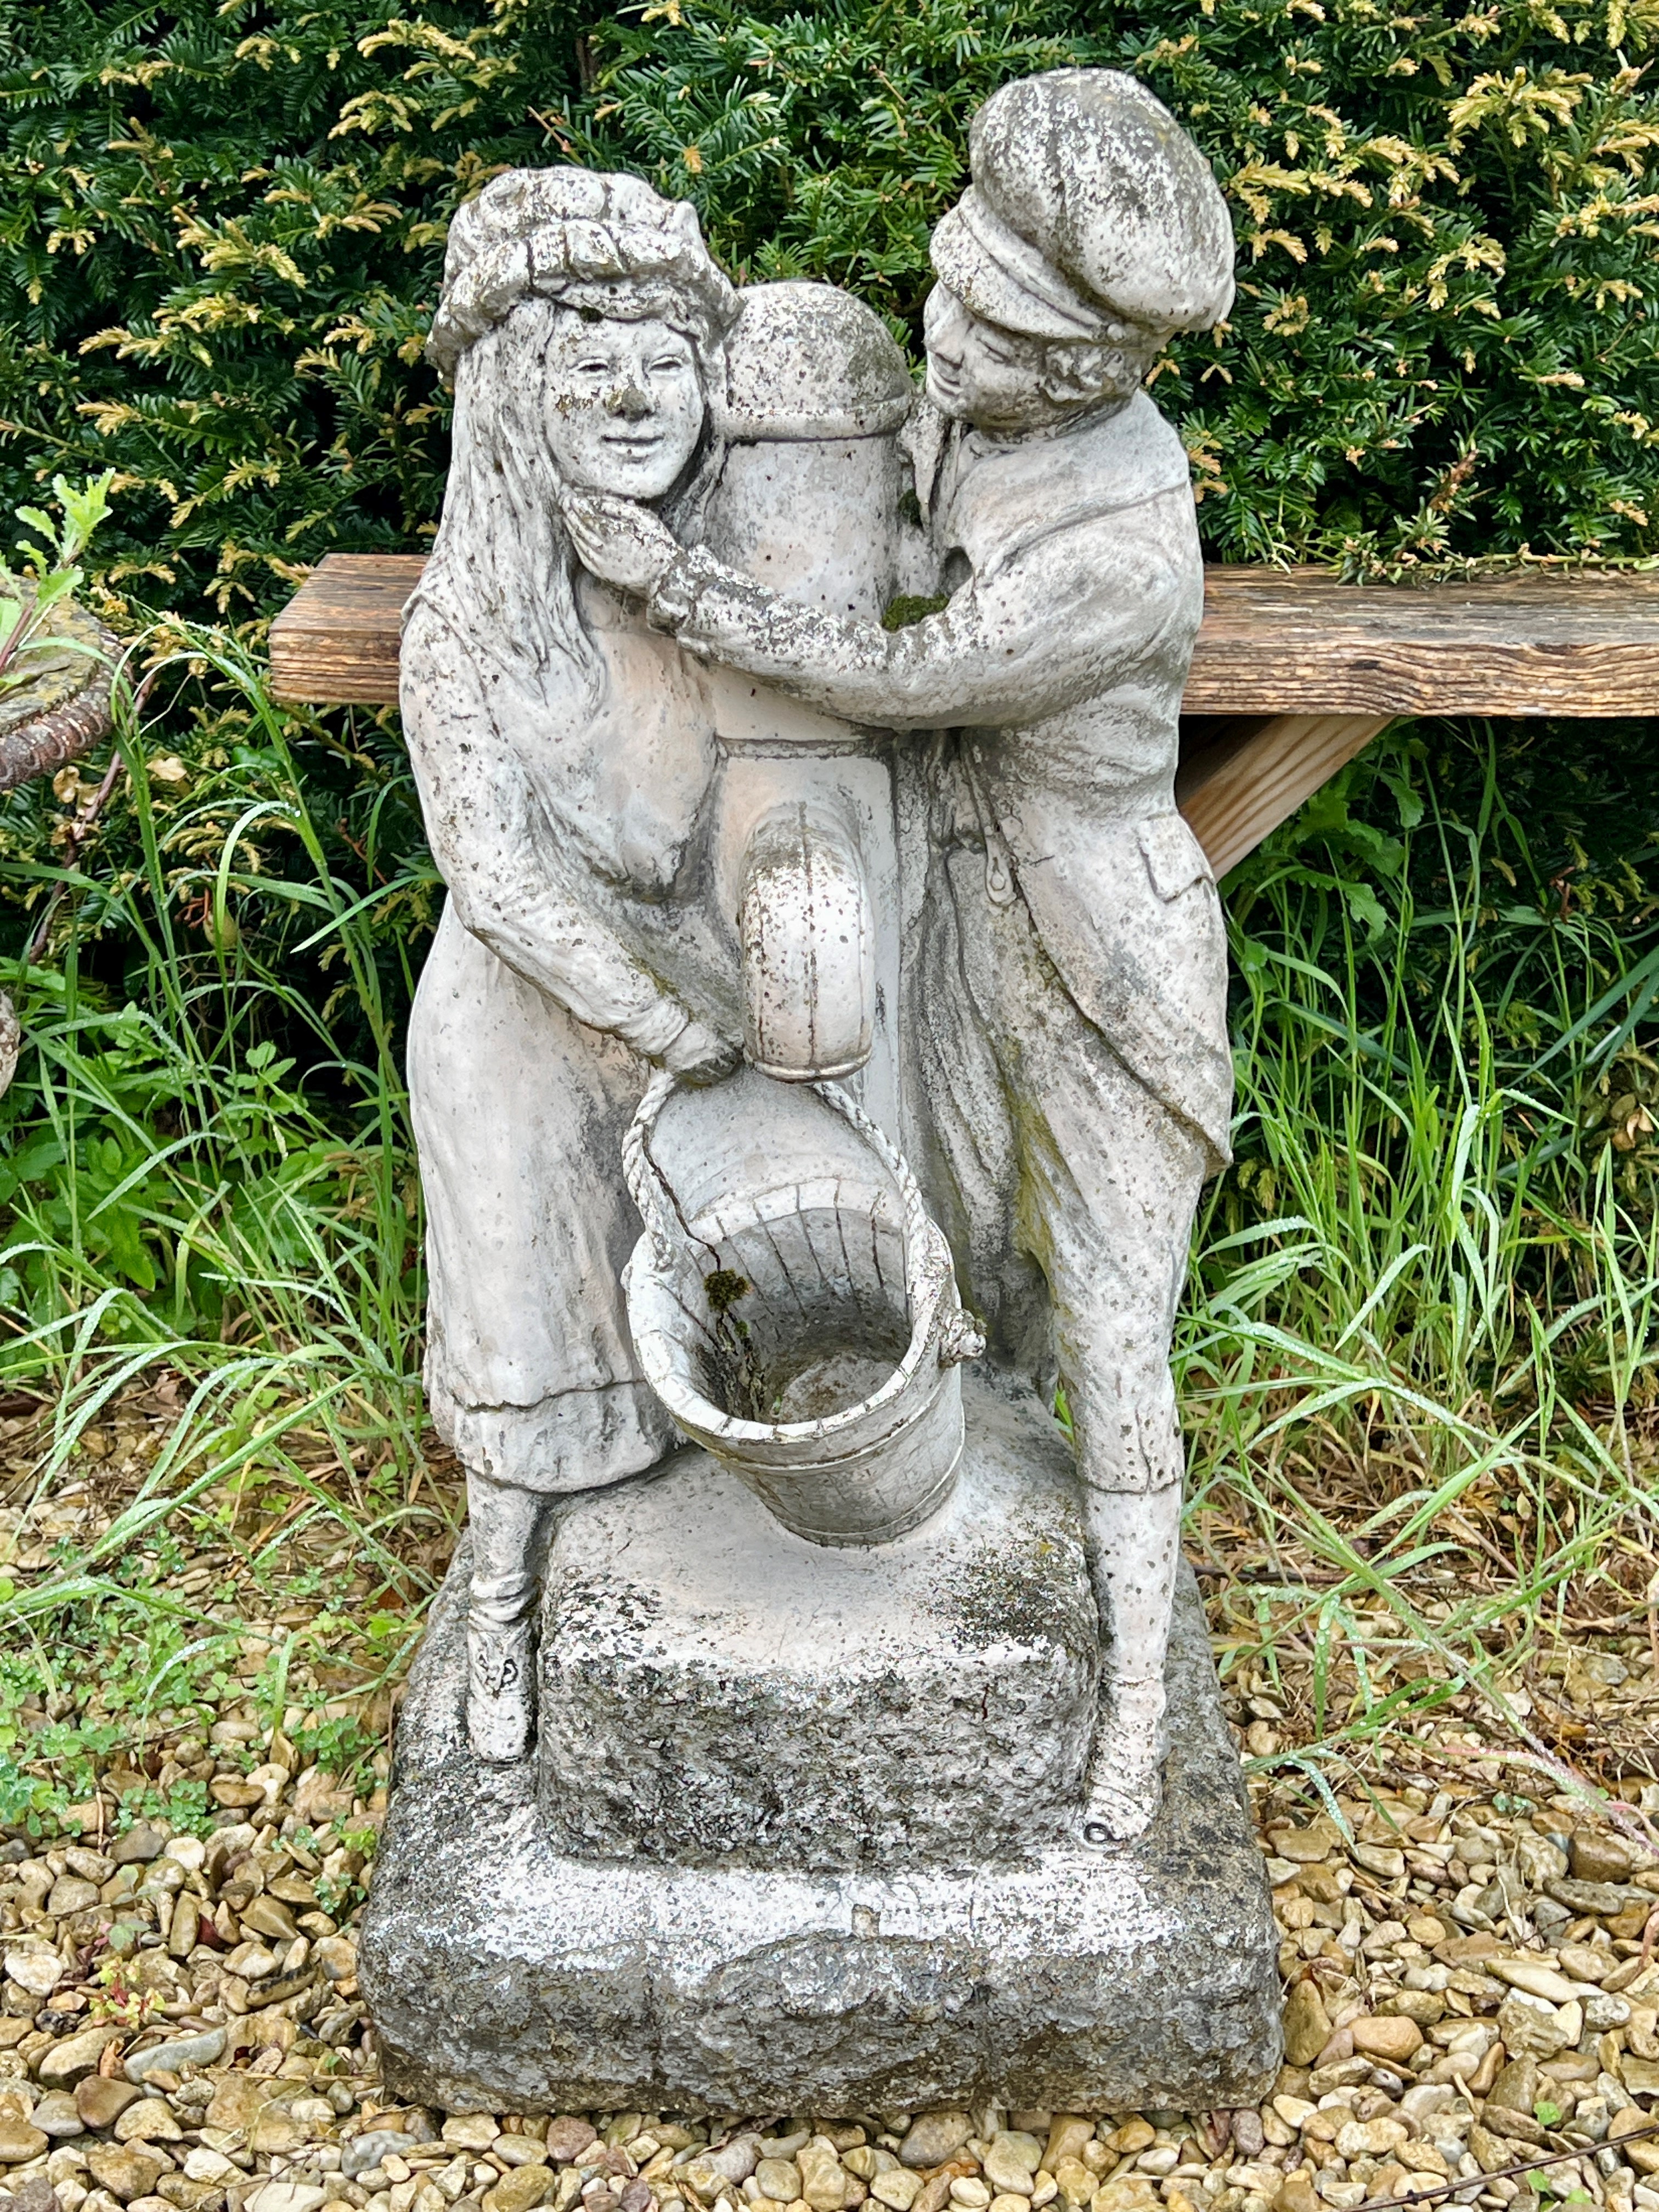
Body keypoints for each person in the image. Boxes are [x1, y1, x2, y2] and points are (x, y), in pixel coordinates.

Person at [562, 67, 1238, 1843]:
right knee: (944, 1244)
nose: (950, 348)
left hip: (1100, 953)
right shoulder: (978, 409)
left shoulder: (1117, 540)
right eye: (949, 291)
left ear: (1097, 365)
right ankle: (945, 1523)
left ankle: (1132, 1702)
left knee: (1107, 1316)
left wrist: (680, 591)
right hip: (951, 897)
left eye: (999, 338)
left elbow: (915, 675)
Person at [402, 169, 744, 1763]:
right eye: (584, 355)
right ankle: (506, 1614)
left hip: (706, 1009)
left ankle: (704, 1580)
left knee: (728, 1317)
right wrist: (656, 1015)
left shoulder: (715, 583)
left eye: (662, 355)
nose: (628, 392)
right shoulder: (462, 623)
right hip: (530, 1027)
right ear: (510, 390)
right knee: (530, 1340)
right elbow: (497, 871)